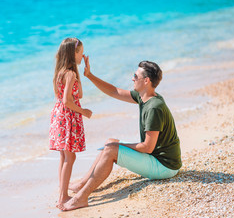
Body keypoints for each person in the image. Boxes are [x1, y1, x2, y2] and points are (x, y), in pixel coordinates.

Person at [60, 58, 182, 211]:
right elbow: (113, 91)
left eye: (135, 76)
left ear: (146, 81)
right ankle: (82, 184)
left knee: (111, 148)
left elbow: (147, 148)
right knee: (110, 142)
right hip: (158, 160)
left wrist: (116, 147)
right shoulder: (144, 96)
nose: (132, 78)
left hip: (165, 167)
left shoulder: (154, 108)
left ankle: (81, 198)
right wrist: (89, 75)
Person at [49, 38, 93, 208]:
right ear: (73, 53)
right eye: (81, 53)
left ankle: (62, 193)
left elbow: (78, 94)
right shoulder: (70, 74)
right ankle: (63, 198)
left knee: (64, 155)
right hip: (68, 115)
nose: (83, 56)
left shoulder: (61, 72)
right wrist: (84, 112)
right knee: (70, 156)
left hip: (59, 114)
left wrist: (83, 71)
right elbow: (69, 100)